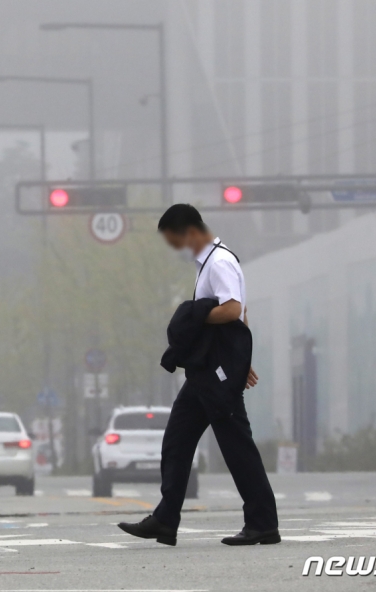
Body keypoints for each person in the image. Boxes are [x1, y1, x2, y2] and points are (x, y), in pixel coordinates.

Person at [118, 204, 279, 547]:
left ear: (191, 232)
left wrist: (196, 316)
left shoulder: (219, 261)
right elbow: (241, 311)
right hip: (207, 372)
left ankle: (263, 523)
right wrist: (240, 359)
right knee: (177, 441)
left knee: (238, 448)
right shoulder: (209, 263)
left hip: (215, 376)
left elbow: (233, 308)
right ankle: (165, 519)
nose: (175, 247)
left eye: (175, 239)